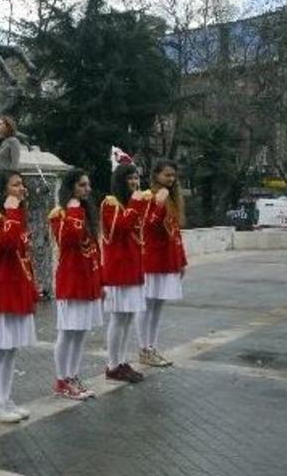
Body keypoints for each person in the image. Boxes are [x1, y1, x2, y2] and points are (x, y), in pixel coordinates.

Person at [0, 169, 38, 423]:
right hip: (1, 290)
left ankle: (5, 398)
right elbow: (6, 245)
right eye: (15, 185)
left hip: (17, 289)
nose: (21, 188)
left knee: (11, 349)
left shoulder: (17, 217)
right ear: (3, 190)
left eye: (22, 184)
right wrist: (13, 211)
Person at [101, 162, 159, 383]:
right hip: (118, 268)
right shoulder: (110, 203)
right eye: (130, 179)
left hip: (134, 266)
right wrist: (135, 204)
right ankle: (112, 364)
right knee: (118, 318)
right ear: (120, 181)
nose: (135, 183)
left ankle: (122, 361)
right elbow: (120, 229)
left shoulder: (132, 204)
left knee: (127, 318)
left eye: (137, 178)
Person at [48, 169, 102, 400]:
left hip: (88, 278)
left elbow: (94, 250)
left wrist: (101, 281)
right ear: (71, 187)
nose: (87, 189)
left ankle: (73, 375)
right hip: (71, 280)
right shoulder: (60, 213)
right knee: (67, 332)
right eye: (82, 185)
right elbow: (68, 239)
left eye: (88, 185)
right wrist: (72, 209)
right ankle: (62, 379)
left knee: (80, 332)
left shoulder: (85, 212)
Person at [136, 159, 187, 367]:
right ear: (156, 175)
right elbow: (149, 225)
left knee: (158, 306)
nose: (171, 179)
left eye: (173, 175)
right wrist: (158, 202)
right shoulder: (148, 197)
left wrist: (181, 260)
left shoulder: (172, 200)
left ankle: (153, 347)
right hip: (152, 258)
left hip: (168, 259)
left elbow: (176, 233)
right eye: (167, 175)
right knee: (146, 305)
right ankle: (143, 348)